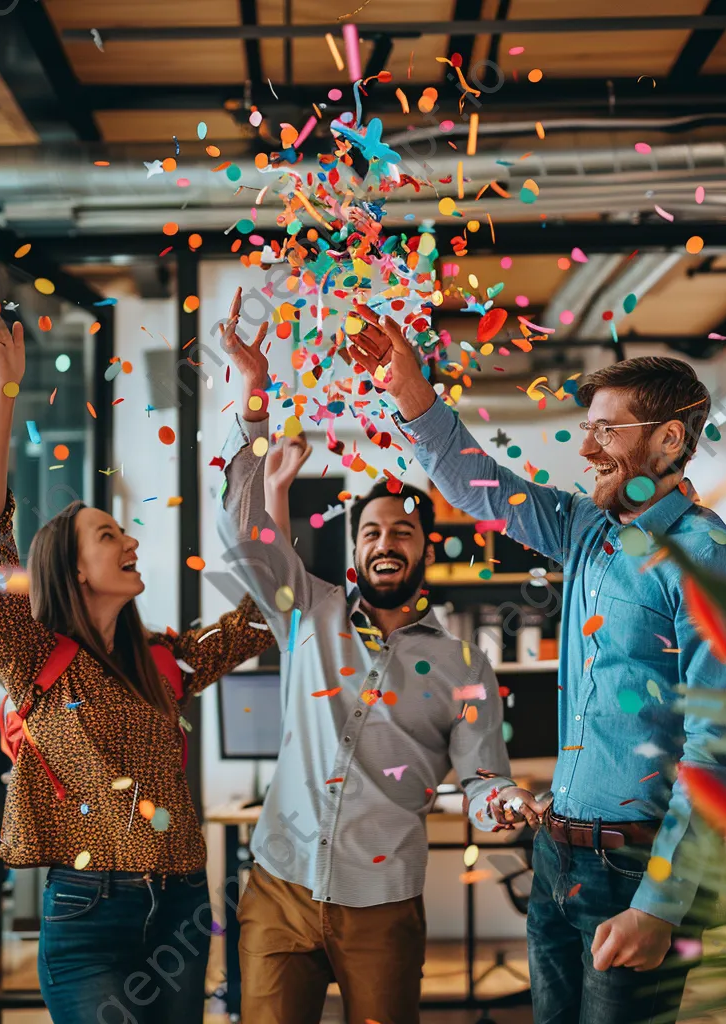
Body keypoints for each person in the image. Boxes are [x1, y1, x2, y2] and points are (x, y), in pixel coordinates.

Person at [347, 311, 726, 1024]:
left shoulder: (710, 563)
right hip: (559, 857)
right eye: (589, 426)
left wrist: (660, 908)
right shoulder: (585, 531)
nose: (589, 445)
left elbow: (716, 748)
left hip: (638, 870)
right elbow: (479, 487)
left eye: (610, 429)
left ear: (669, 439)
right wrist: (412, 390)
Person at [0, 298, 276, 1024]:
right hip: (87, 915)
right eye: (108, 534)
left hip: (183, 903)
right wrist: (5, 390)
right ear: (71, 566)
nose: (129, 540)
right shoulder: (32, 655)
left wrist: (251, 419)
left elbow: (263, 614)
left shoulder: (164, 663)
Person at [218, 288, 540, 1024]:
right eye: (372, 532)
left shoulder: (464, 666)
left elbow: (483, 775)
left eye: (401, 532)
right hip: (280, 886)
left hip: (383, 901)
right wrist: (254, 401)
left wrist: (503, 803)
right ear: (354, 545)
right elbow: (242, 537)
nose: (386, 543)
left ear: (425, 547)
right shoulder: (306, 611)